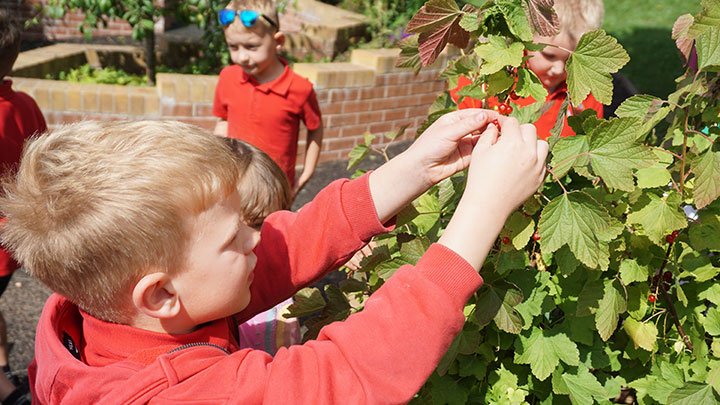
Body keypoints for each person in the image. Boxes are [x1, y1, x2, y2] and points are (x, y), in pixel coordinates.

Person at [0, 110, 547, 403]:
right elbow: (346, 375)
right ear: (161, 293)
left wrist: (409, 171)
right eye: (233, 237)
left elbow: (285, 249)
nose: (256, 238)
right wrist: (481, 211)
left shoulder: (102, 314)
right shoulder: (184, 398)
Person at [213, 0, 323, 197]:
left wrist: (307, 173)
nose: (242, 57)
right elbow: (224, 120)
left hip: (275, 191)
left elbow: (315, 128)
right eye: (233, 47)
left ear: (278, 41)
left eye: (251, 47)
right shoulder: (227, 77)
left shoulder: (300, 89)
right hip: (235, 185)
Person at [451, 0, 605, 140]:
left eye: (571, 61)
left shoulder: (586, 90)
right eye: (549, 56)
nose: (559, 70)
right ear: (525, 38)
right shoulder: (491, 79)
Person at [0, 8, 45, 405]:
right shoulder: (24, 104)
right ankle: (3, 366)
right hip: (10, 232)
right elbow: (41, 159)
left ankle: (7, 390)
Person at [222, 137, 300, 354]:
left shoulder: (271, 259)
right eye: (258, 223)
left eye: (280, 216)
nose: (269, 234)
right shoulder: (218, 300)